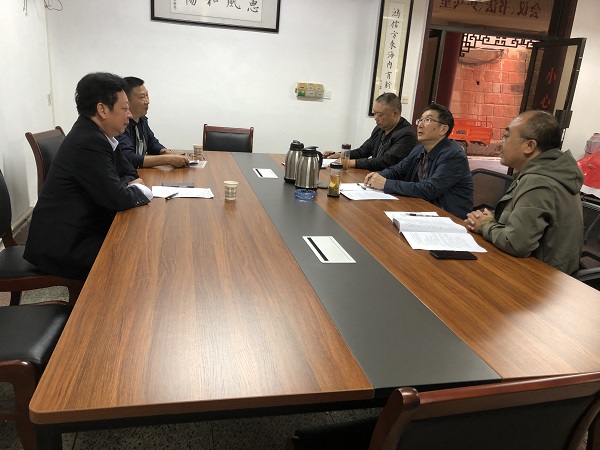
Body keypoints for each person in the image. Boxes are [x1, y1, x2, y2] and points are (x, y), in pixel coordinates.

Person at [24, 72, 152, 280]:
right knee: (134, 257)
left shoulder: (102, 135)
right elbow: (118, 198)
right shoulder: (89, 141)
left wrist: (123, 186)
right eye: (124, 108)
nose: (129, 115)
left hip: (82, 228)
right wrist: (134, 188)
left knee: (137, 242)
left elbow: (129, 172)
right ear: (102, 109)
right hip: (66, 243)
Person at [465, 110, 583, 274]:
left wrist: (485, 225)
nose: (500, 144)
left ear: (529, 146)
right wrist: (490, 218)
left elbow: (516, 243)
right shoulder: (545, 171)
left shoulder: (539, 181)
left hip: (540, 278)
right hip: (545, 273)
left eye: (506, 137)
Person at [364, 103, 473, 219]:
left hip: (448, 217)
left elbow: (430, 189)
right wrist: (378, 176)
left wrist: (386, 184)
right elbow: (398, 170)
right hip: (422, 208)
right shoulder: (419, 149)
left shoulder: (454, 156)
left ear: (443, 129)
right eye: (420, 120)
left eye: (427, 120)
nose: (420, 125)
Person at [323, 93, 417, 171]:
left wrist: (349, 162)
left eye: (379, 114)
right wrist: (342, 155)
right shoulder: (380, 129)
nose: (375, 118)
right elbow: (363, 151)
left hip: (389, 181)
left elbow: (386, 161)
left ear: (395, 113)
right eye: (374, 113)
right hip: (374, 176)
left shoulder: (406, 134)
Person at [116, 76, 189, 169]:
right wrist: (167, 159)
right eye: (142, 97)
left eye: (147, 95)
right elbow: (129, 158)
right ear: (126, 100)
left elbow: (152, 144)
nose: (147, 101)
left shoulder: (142, 120)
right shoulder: (121, 125)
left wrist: (167, 152)